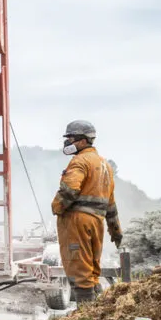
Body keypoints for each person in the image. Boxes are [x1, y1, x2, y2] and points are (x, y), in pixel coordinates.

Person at [50, 120, 122, 305]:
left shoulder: (80, 161)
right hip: (96, 222)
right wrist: (115, 231)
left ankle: (85, 316)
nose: (68, 143)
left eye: (71, 138)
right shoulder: (104, 165)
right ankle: (98, 311)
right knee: (91, 269)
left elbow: (69, 190)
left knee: (78, 268)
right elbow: (110, 204)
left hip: (77, 222)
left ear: (83, 141)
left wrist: (56, 207)